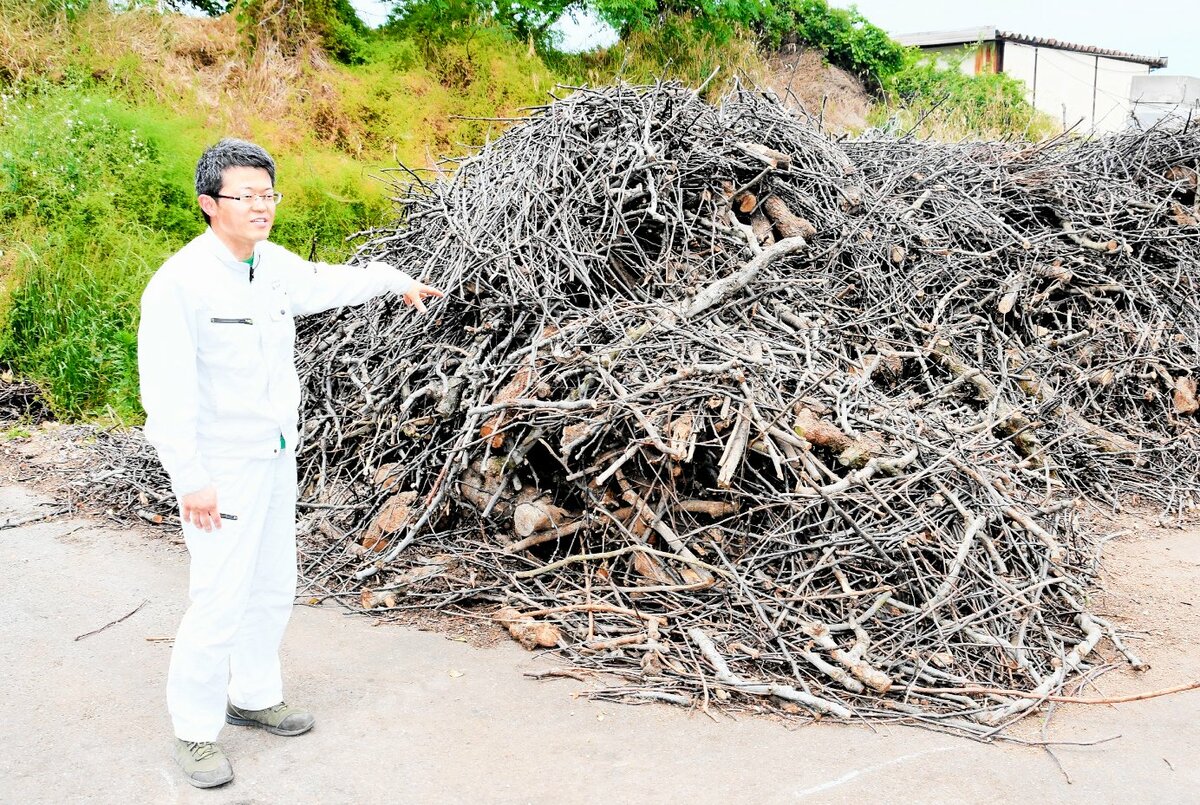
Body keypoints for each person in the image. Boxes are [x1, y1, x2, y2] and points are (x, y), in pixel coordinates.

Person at [137, 138, 443, 789]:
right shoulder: (180, 285)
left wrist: (394, 279)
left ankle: (252, 694)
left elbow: (330, 280)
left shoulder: (268, 265)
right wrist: (190, 478)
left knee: (273, 582)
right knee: (218, 597)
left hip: (276, 455)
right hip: (221, 468)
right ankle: (193, 732)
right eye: (244, 195)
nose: (260, 206)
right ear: (208, 204)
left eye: (267, 193)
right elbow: (164, 396)